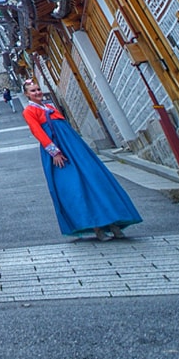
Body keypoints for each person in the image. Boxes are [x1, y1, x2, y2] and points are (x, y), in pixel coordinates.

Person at [21, 80, 141, 240]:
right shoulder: (29, 111)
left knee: (95, 181)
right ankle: (97, 227)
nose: (37, 92)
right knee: (75, 188)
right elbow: (38, 132)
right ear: (27, 94)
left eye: (37, 89)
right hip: (59, 150)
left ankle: (113, 223)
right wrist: (54, 152)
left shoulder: (49, 107)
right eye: (32, 91)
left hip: (74, 147)